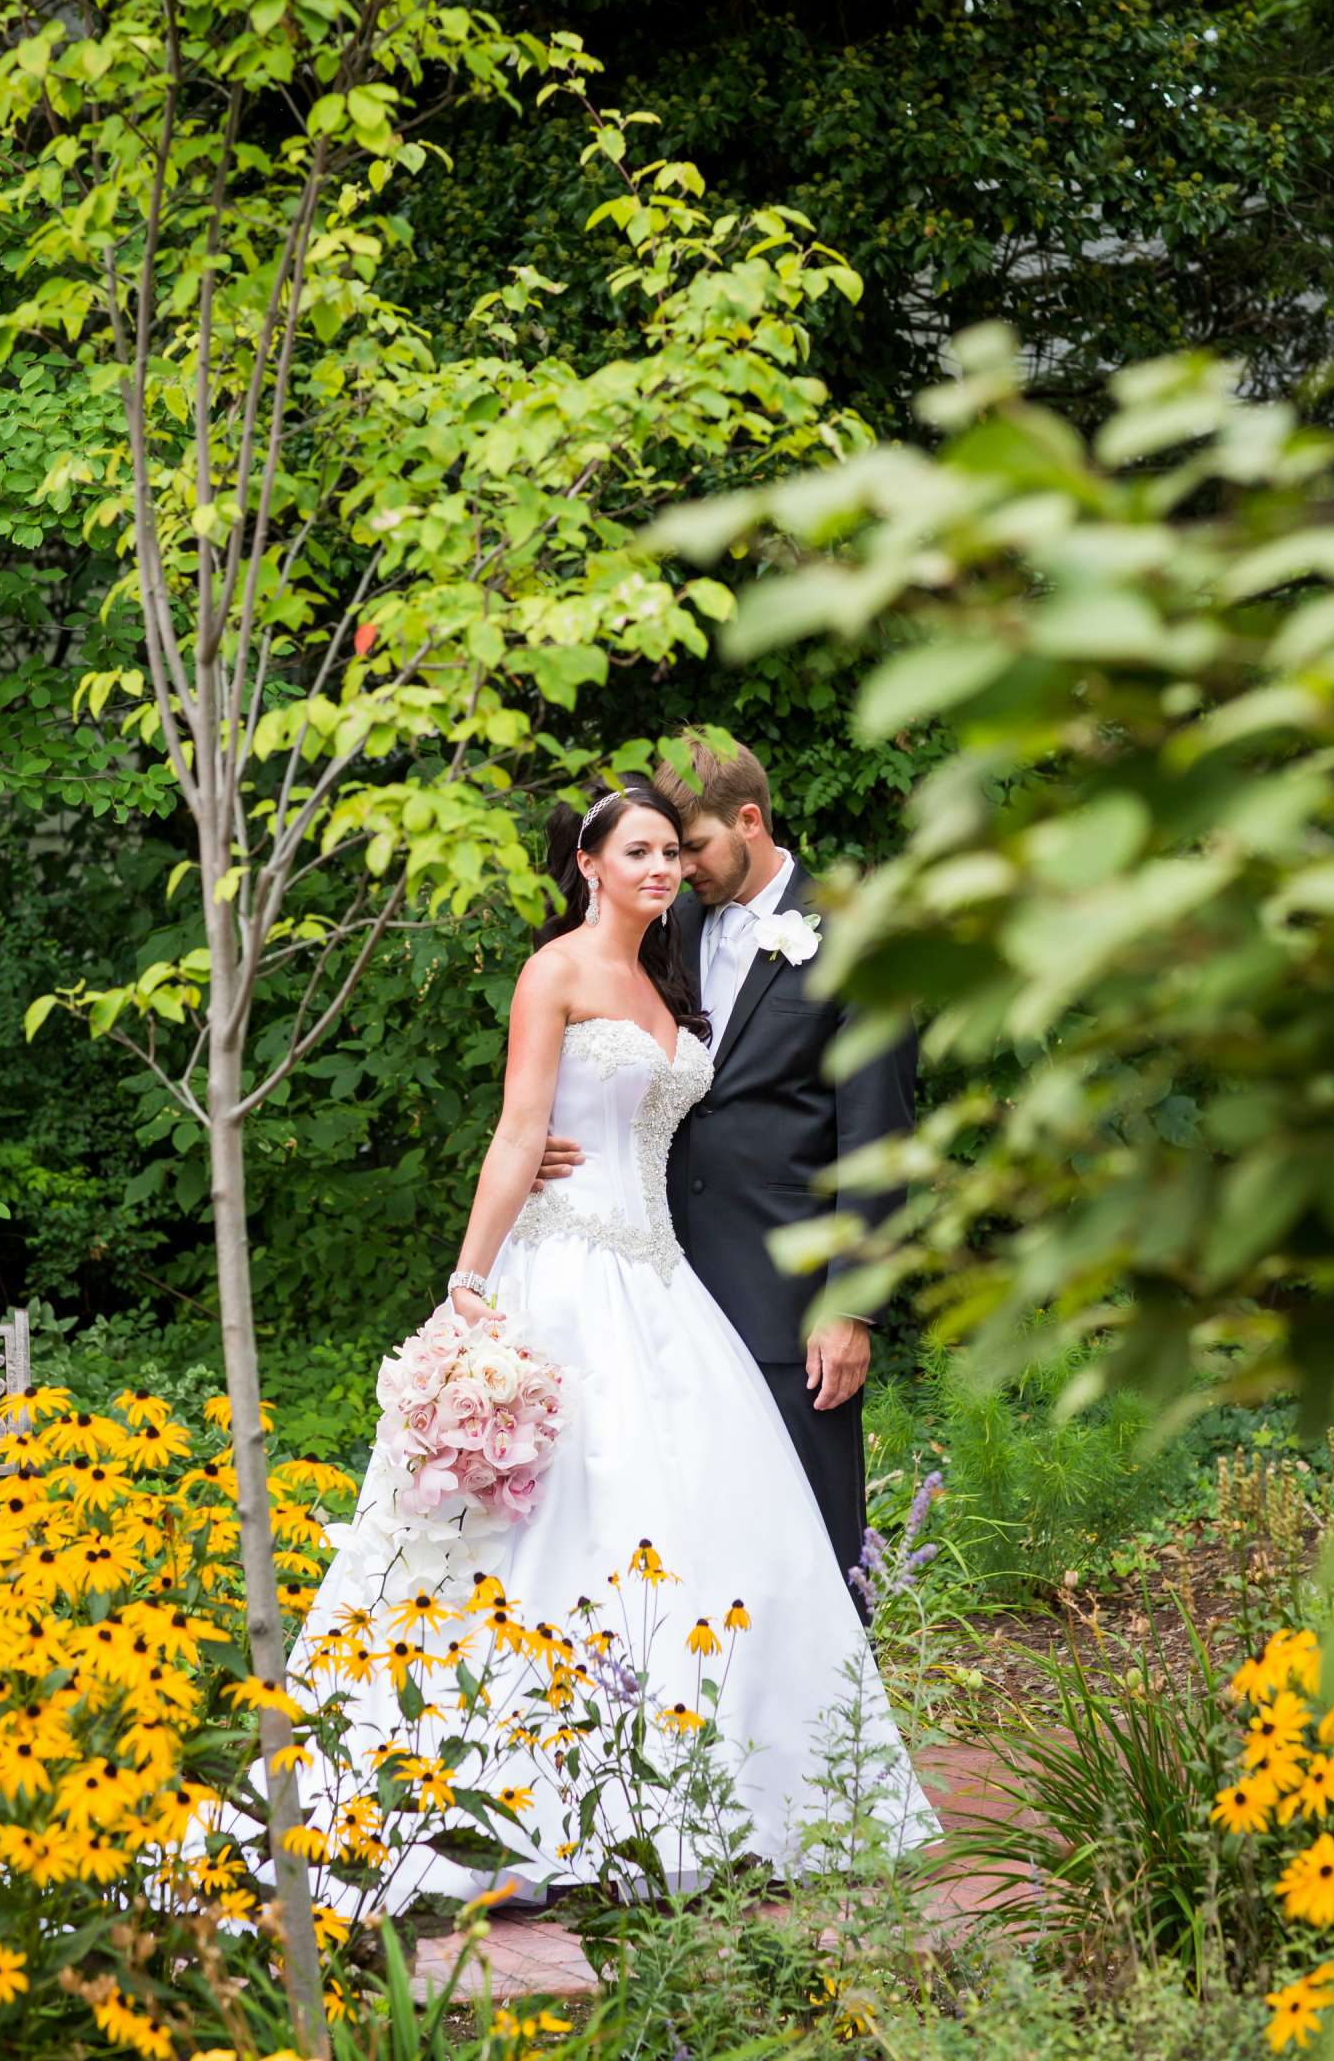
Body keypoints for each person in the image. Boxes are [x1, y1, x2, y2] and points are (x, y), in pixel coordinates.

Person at [294, 779, 934, 1912]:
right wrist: (469, 1285)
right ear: (585, 863)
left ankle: (710, 1796)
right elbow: (515, 1132)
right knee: (541, 1525)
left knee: (701, 1525)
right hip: (567, 1276)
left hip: (666, 1282)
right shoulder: (557, 970)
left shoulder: (662, 971)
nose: (662, 870)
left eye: (669, 853)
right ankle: (485, 1801)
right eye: (637, 851)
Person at [537, 734, 917, 1589]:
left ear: (749, 820)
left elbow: (879, 1136)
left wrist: (851, 1304)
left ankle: (833, 1723)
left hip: (787, 1285)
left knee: (812, 1540)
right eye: (665, 849)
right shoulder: (666, 922)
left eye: (694, 846)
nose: (679, 868)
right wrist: (541, 1145)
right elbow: (581, 1036)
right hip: (657, 1282)